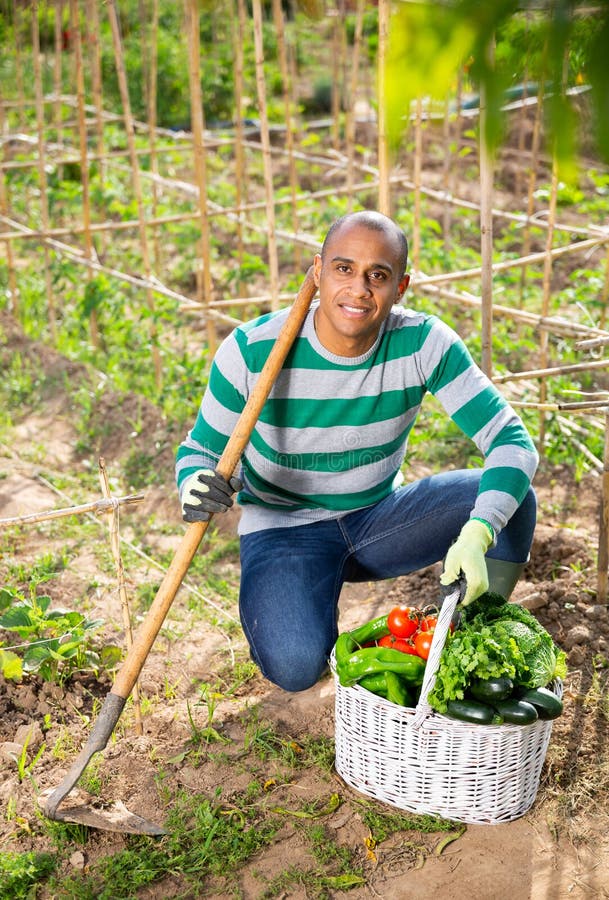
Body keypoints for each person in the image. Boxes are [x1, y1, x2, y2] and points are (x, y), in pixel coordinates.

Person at [176, 211, 538, 693]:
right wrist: (194, 481)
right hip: (285, 527)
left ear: (401, 286)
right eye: (344, 269)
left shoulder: (423, 344)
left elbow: (511, 441)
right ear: (318, 270)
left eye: (378, 275)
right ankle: (301, 595)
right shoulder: (251, 349)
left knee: (509, 501)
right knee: (296, 666)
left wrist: (478, 532)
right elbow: (200, 449)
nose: (360, 289)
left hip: (379, 521)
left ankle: (472, 638)